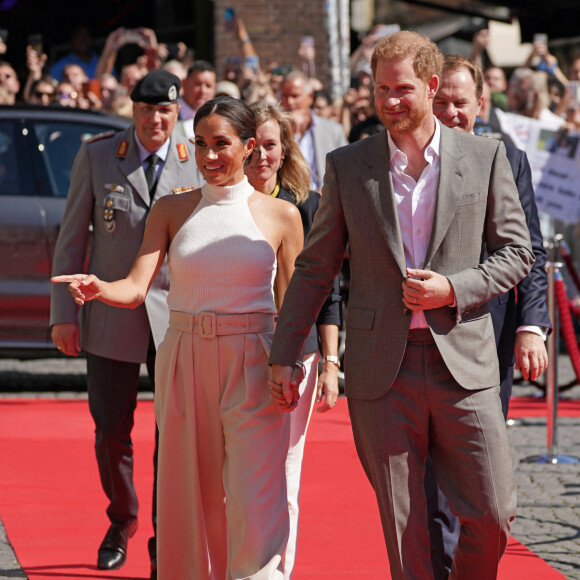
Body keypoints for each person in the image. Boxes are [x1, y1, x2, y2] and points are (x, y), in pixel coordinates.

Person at [268, 30, 535, 579]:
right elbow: (316, 267)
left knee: (493, 513)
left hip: (464, 364)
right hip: (381, 370)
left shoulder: (485, 156)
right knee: (405, 528)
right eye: (380, 88)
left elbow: (517, 252)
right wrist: (285, 351)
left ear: (432, 85)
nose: (389, 101)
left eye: (402, 89)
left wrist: (454, 288)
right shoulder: (349, 164)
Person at [53, 95, 304, 579]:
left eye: (222, 144)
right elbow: (134, 286)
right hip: (184, 356)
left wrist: (289, 363)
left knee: (256, 496)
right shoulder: (171, 209)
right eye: (201, 144)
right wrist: (100, 287)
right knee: (190, 495)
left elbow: (293, 306)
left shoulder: (282, 216)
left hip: (255, 359)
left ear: (250, 146)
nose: (209, 156)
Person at [49, 69, 202, 579]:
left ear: (177, 112)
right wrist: (63, 315)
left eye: (166, 111)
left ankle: (166, 534)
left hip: (177, 316)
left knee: (172, 433)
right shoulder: (98, 155)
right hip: (112, 311)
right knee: (111, 428)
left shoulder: (195, 156)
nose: (156, 120)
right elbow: (72, 238)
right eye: (146, 110)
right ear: (131, 110)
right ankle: (122, 520)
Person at [429, 54, 551, 579]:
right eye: (442, 102)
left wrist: (531, 326)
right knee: (430, 482)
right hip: (422, 340)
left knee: (485, 484)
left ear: (481, 105)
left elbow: (532, 252)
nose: (452, 112)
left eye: (462, 103)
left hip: (490, 341)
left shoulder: (510, 158)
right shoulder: (404, 161)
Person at [246, 101, 341, 578]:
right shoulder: (221, 201)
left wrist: (330, 361)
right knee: (237, 470)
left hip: (296, 355)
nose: (261, 154)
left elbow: (329, 291)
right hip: (235, 350)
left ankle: (280, 570)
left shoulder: (308, 204)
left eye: (270, 145)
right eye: (253, 144)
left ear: (284, 151)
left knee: (285, 469)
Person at [279, 70, 347, 190]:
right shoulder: (276, 130)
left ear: (309, 97)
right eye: (285, 96)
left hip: (324, 201)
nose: (289, 102)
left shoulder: (333, 131)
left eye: (295, 96)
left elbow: (347, 169)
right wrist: (290, 131)